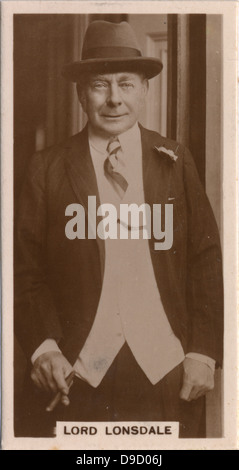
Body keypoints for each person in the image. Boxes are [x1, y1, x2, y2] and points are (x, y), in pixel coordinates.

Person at [14, 20, 223, 438]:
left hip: (164, 371)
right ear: (80, 94)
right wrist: (44, 348)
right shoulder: (48, 168)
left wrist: (203, 351)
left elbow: (205, 260)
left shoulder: (175, 161)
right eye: (99, 85)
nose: (113, 100)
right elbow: (25, 272)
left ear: (144, 90)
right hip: (75, 373)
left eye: (126, 85)